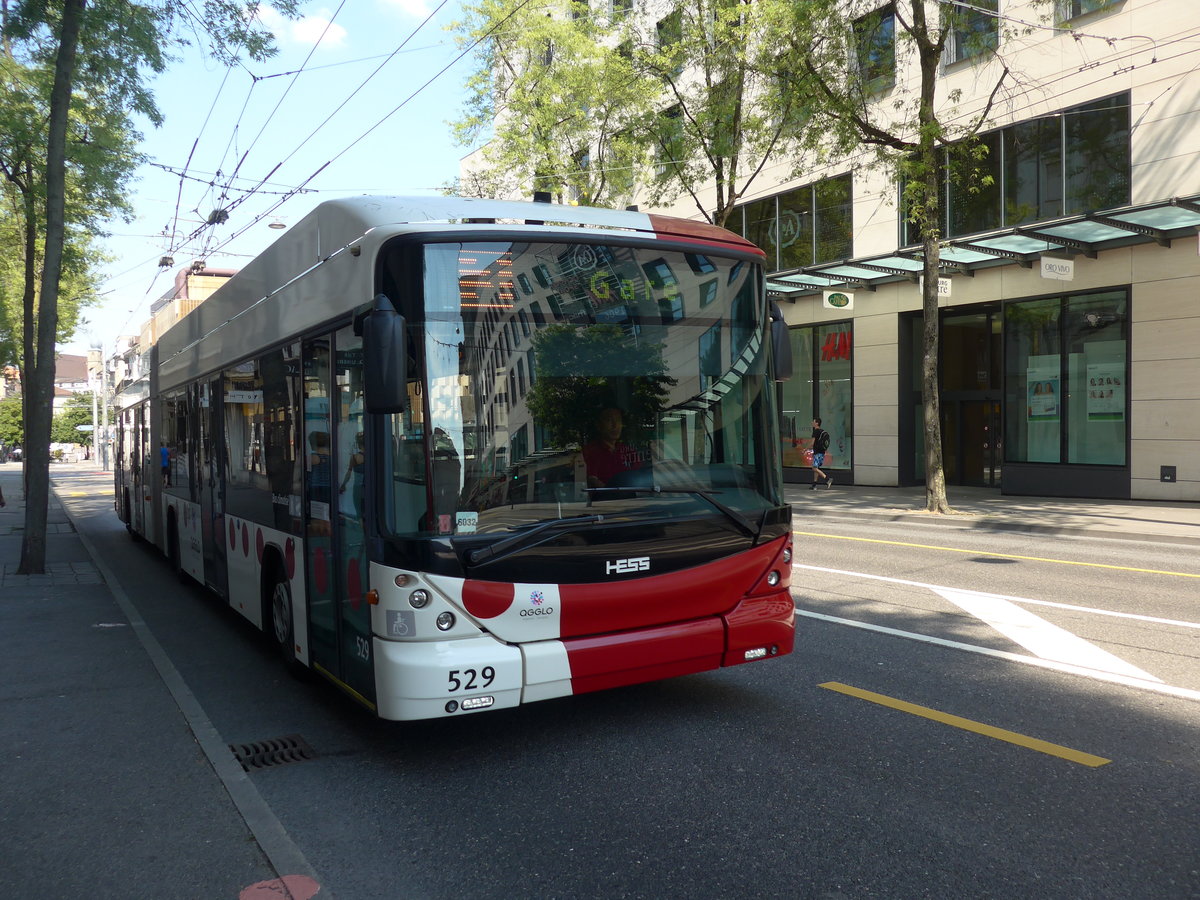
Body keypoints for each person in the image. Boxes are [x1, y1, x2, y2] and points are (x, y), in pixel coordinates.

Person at [582, 407, 643, 488]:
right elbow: (592, 479)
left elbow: (640, 478)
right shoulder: (591, 451)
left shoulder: (629, 451)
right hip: (606, 500)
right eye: (609, 420)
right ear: (598, 425)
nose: (615, 425)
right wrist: (613, 494)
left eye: (618, 420)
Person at [809, 417, 833, 490]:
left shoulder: (815, 431)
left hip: (817, 452)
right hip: (822, 452)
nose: (812, 423)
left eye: (813, 421)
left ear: (817, 423)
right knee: (816, 468)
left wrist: (806, 449)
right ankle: (814, 485)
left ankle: (827, 479)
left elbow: (812, 443)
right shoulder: (822, 431)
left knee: (814, 468)